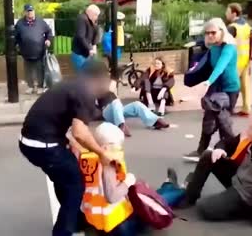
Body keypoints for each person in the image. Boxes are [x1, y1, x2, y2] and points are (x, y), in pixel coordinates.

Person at [19, 60, 117, 236]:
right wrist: (101, 153)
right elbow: (80, 132)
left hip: (30, 141)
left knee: (63, 178)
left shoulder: (71, 84)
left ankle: (76, 219)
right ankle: (64, 231)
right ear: (99, 78)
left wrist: (68, 141)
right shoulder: (85, 93)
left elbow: (55, 117)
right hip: (44, 146)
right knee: (75, 184)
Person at [178, 111, 252, 236]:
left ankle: (245, 211)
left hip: (247, 197)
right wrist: (220, 149)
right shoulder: (248, 138)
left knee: (204, 207)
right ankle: (190, 196)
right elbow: (225, 142)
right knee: (209, 156)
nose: (247, 130)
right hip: (237, 179)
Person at [70, 122, 183, 236]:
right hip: (119, 223)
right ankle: (180, 190)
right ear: (105, 147)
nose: (119, 148)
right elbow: (112, 197)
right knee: (152, 201)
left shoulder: (86, 160)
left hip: (99, 223)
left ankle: (169, 185)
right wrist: (128, 181)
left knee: (146, 198)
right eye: (117, 145)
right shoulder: (107, 163)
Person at [183, 18, 240, 162]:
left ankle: (230, 151)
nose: (210, 36)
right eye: (207, 33)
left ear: (222, 31)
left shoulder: (229, 47)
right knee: (208, 119)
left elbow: (221, 66)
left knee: (223, 122)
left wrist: (209, 81)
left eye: (213, 32)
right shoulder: (213, 46)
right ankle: (201, 151)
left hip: (229, 89)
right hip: (216, 88)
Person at [15, 4, 53, 94]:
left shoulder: (40, 22)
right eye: (28, 11)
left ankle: (39, 87)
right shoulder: (20, 23)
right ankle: (31, 86)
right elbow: (16, 36)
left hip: (39, 50)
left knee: (39, 69)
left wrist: (48, 40)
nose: (30, 13)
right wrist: (16, 46)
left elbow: (49, 32)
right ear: (25, 12)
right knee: (28, 69)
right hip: (26, 51)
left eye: (31, 11)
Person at [97, 90, 170, 137]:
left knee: (137, 104)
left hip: (118, 110)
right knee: (116, 102)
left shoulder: (110, 91)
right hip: (106, 112)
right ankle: (121, 125)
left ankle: (155, 121)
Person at [226, 3, 252, 116]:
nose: (226, 14)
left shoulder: (232, 27)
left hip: (235, 60)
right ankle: (246, 108)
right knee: (245, 85)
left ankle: (229, 107)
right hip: (245, 59)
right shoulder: (247, 25)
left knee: (232, 84)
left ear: (234, 13)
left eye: (227, 11)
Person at [71, 4, 100, 72]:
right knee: (83, 75)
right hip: (80, 54)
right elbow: (80, 36)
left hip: (88, 53)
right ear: (90, 12)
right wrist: (90, 49)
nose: (96, 17)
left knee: (91, 75)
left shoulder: (92, 21)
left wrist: (94, 48)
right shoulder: (82, 19)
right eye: (96, 15)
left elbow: (94, 38)